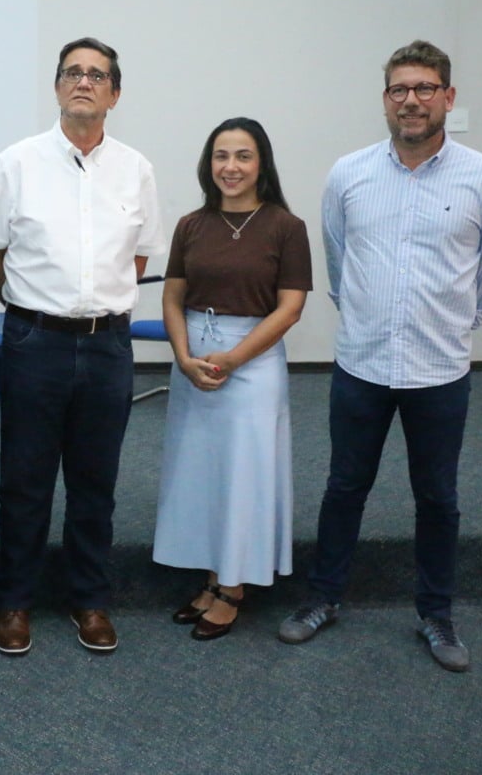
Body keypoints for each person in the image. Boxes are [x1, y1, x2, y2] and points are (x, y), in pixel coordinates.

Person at [278, 40, 482, 672]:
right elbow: (339, 265)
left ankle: (436, 614)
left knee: (437, 497)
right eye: (399, 90)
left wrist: (455, 327)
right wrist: (368, 319)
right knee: (344, 487)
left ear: (448, 97)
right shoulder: (349, 174)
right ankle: (323, 598)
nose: (411, 100)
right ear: (385, 99)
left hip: (440, 371)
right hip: (362, 364)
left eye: (425, 88)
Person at [0, 37, 165, 655]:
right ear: (57, 86)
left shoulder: (137, 169)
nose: (84, 82)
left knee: (94, 482)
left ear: (115, 93)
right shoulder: (17, 163)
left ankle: (89, 599)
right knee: (24, 482)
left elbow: (138, 257)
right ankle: (15, 600)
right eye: (73, 72)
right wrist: (27, 305)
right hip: (36, 343)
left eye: (97, 75)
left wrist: (97, 302)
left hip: (108, 346)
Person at [151, 118, 312, 640]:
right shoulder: (191, 225)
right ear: (209, 164)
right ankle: (211, 576)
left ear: (261, 164)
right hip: (194, 360)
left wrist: (235, 359)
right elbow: (172, 296)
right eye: (221, 156)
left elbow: (290, 308)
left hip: (253, 361)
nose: (231, 167)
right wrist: (183, 356)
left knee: (244, 474)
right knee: (201, 472)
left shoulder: (286, 227)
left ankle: (233, 587)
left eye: (243, 156)